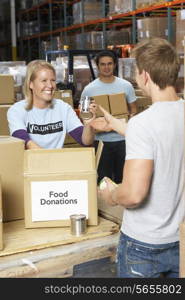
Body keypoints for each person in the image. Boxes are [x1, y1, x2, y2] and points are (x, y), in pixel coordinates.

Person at [98, 38, 185, 278]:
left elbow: (134, 195)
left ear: (145, 75)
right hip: (179, 239)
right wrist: (118, 125)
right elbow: (165, 140)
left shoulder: (143, 124)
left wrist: (112, 195)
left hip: (144, 247)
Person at [7, 60, 97, 149]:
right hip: (30, 162)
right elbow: (25, 142)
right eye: (44, 80)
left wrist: (88, 124)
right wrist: (49, 159)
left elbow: (85, 142)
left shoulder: (63, 108)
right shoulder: (17, 110)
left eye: (53, 80)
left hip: (55, 161)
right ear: (31, 84)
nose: (50, 85)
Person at [80, 50, 137, 184]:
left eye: (110, 64)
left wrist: (126, 124)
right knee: (103, 182)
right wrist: (94, 125)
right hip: (101, 142)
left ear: (115, 65)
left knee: (124, 180)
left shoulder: (126, 86)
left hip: (123, 141)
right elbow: (84, 116)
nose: (106, 67)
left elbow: (134, 110)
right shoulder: (89, 89)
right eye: (103, 64)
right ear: (98, 66)